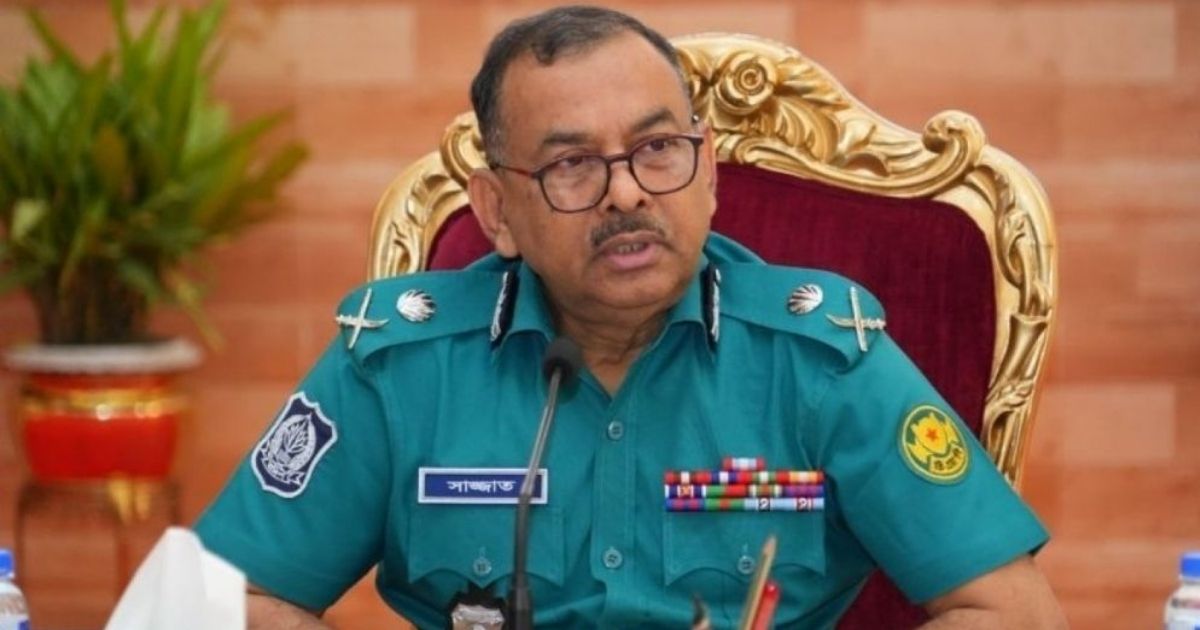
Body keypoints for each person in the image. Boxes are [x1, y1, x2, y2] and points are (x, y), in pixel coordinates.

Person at [195, 6, 1067, 629]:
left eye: (657, 150)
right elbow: (223, 601)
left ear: (709, 171)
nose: (626, 193)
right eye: (572, 164)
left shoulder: (819, 356)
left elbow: (1011, 610)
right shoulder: (400, 366)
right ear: (497, 210)